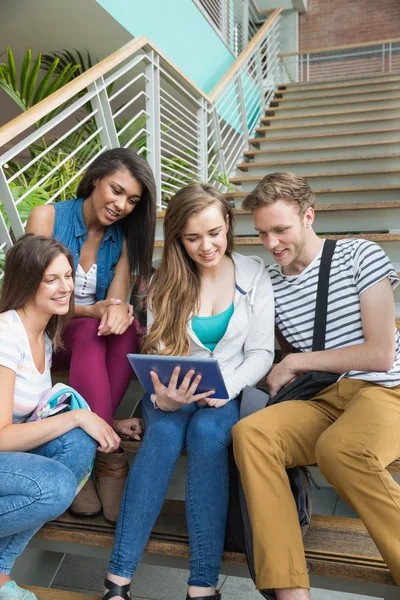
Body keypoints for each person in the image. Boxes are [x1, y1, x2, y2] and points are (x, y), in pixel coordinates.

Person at [101, 183, 275, 600]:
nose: (206, 245)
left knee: (207, 436)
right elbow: (159, 350)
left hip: (227, 392)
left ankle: (201, 586)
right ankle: (117, 582)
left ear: (229, 225)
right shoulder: (165, 280)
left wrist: (227, 388)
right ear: (178, 236)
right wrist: (162, 399)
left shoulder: (254, 273)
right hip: (169, 395)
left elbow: (262, 352)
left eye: (214, 233)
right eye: (193, 237)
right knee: (161, 433)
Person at [232, 172, 400, 599]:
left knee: (341, 449)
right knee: (251, 434)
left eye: (281, 229)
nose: (271, 243)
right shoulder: (268, 282)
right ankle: (290, 591)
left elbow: (380, 352)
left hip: (386, 389)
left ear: (309, 216)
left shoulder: (360, 255)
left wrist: (298, 360)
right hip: (325, 398)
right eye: (263, 232)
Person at [26, 148, 157, 523]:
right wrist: (92, 310)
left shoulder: (125, 236)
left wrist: (117, 309)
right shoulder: (47, 217)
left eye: (132, 200)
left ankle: (95, 441)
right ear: (96, 178)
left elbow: (114, 299)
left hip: (90, 339)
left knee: (126, 327)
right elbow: (34, 297)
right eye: (116, 190)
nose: (121, 205)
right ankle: (109, 456)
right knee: (87, 327)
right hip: (48, 336)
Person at [0, 234, 120, 600]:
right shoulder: (6, 335)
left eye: (68, 276)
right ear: (25, 282)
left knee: (79, 443)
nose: (65, 287)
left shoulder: (45, 338)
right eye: (51, 279)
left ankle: (1, 573)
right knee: (55, 486)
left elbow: (34, 416)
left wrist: (84, 420)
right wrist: (75, 418)